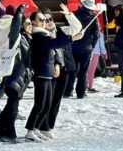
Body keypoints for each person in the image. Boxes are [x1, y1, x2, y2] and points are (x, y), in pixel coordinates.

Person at [25, 11, 84, 142]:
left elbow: (54, 45)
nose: (44, 22)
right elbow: (52, 44)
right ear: (34, 22)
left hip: (48, 72)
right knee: (40, 104)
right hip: (41, 73)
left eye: (46, 20)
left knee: (46, 105)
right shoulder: (38, 34)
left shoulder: (45, 33)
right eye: (41, 20)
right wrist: (72, 39)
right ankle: (30, 130)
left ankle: (36, 129)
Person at [0, 8, 31, 143]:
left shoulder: (28, 38)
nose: (30, 26)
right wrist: (19, 13)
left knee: (11, 105)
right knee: (13, 106)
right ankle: (10, 134)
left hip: (20, 77)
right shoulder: (17, 37)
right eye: (28, 23)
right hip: (14, 76)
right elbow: (14, 28)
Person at [67, 0, 102, 99]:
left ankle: (68, 91)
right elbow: (96, 34)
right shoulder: (93, 18)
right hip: (86, 47)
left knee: (72, 70)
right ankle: (80, 93)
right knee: (83, 71)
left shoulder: (74, 14)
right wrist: (92, 45)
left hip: (73, 45)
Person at [86, 25, 109, 94]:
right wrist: (104, 53)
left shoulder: (87, 32)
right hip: (95, 53)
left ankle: (85, 85)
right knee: (91, 71)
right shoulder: (99, 34)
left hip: (87, 51)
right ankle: (90, 86)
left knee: (86, 70)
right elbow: (101, 46)